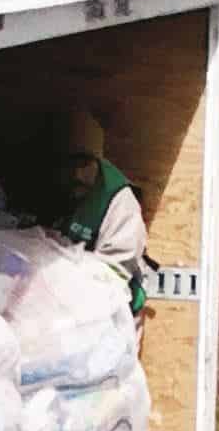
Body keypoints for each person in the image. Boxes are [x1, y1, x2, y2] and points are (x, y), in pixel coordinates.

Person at [54, 106, 153, 309]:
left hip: (110, 305)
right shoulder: (44, 184)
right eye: (68, 165)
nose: (77, 175)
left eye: (85, 164)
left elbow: (114, 275)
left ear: (98, 161)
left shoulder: (119, 200)